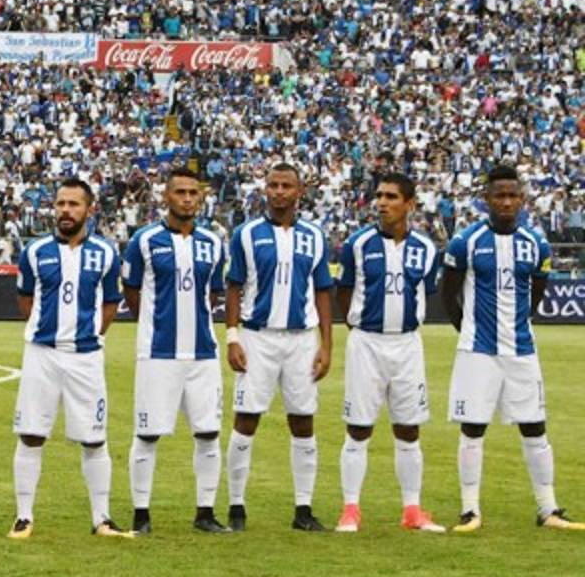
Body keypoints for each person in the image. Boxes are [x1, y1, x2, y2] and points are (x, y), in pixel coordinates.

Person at [441, 164, 584, 532]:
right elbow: (449, 293)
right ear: (486, 199)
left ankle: (548, 508)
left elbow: (536, 291)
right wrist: (469, 330)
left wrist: (517, 325)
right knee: (473, 428)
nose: (506, 202)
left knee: (535, 427)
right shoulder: (466, 242)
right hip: (479, 350)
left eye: (513, 195)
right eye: (499, 195)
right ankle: (470, 509)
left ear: (522, 199)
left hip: (521, 349)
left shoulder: (535, 243)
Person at [7, 178, 129, 539]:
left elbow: (110, 303)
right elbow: (25, 299)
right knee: (31, 434)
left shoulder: (106, 253)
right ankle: (24, 516)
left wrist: (90, 335)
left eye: (74, 204)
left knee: (94, 438)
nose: (65, 211)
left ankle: (101, 518)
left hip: (86, 358)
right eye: (60, 204)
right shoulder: (35, 251)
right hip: (42, 354)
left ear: (89, 210)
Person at [224, 163, 334, 532]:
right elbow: (235, 286)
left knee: (303, 420)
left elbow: (322, 291)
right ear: (265, 190)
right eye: (273, 185)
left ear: (299, 191)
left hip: (302, 338)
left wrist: (326, 345)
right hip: (258, 336)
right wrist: (233, 336)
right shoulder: (246, 234)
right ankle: (236, 504)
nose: (279, 191)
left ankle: (303, 508)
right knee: (246, 417)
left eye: (286, 185)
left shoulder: (315, 236)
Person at [333, 173, 444, 533]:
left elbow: (423, 293)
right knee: (358, 428)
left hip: (408, 344)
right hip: (367, 342)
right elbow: (346, 292)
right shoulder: (358, 244)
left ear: (409, 204)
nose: (382, 202)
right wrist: (362, 330)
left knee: (409, 429)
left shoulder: (426, 248)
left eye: (391, 196)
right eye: (379, 196)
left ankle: (412, 510)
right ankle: (351, 508)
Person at [122, 167, 229, 535]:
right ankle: (141, 513)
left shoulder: (213, 243)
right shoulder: (145, 240)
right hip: (158, 352)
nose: (187, 198)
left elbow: (212, 293)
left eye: (192, 193)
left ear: (201, 198)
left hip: (203, 352)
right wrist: (156, 322)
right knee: (148, 433)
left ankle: (205, 512)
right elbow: (132, 291)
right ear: (165, 197)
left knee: (209, 432)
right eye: (179, 192)